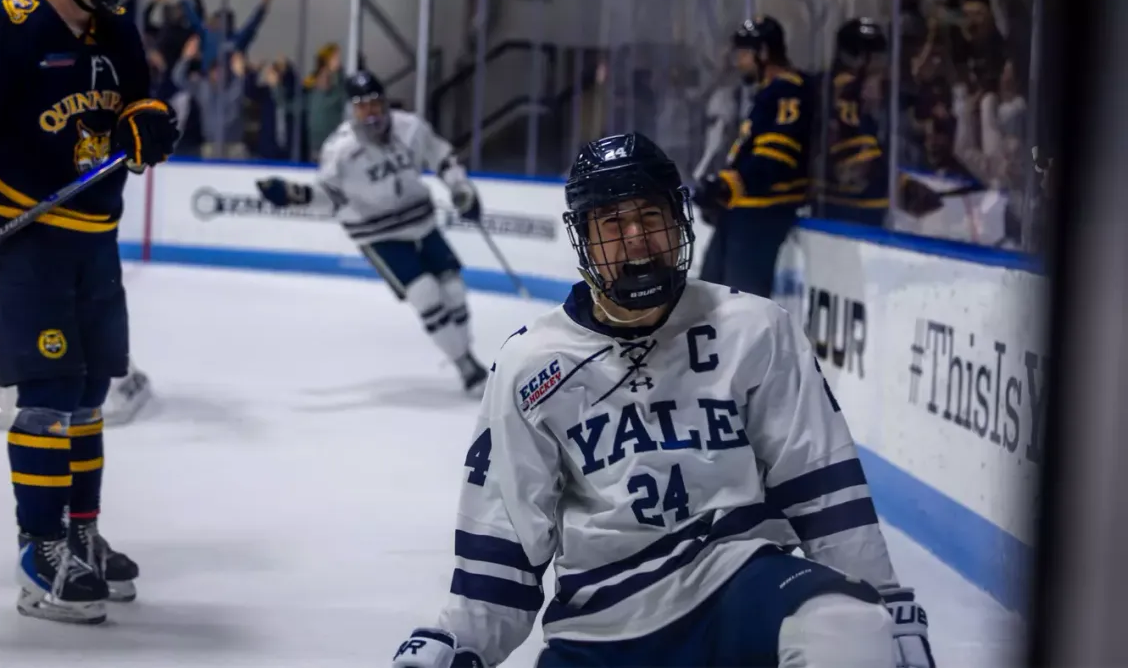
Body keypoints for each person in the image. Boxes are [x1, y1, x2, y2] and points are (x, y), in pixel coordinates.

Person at [389, 133, 935, 668]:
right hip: (603, 622)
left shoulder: (755, 328)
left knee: (846, 626)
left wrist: (884, 599)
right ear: (584, 240)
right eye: (612, 224)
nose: (637, 238)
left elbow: (821, 487)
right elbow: (505, 540)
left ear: (679, 223)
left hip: (741, 584)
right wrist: (458, 640)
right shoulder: (531, 365)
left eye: (651, 216)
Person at [0, 0, 179, 624]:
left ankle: (80, 535)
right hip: (21, 234)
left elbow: (137, 103)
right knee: (51, 390)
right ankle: (38, 551)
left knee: (90, 390)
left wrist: (147, 125)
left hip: (95, 234)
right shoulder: (3, 26)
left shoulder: (116, 28)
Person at [257, 70, 488, 392]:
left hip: (421, 223)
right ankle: (466, 365)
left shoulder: (410, 127)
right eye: (362, 106)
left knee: (454, 291)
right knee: (425, 294)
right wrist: (297, 195)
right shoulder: (340, 149)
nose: (371, 113)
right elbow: (329, 197)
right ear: (352, 109)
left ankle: (466, 352)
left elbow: (441, 156)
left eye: (375, 103)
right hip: (377, 234)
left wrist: (461, 188)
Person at [695, 16, 812, 298]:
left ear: (764, 52)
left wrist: (728, 186)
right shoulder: (768, 92)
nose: (738, 62)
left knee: (742, 306)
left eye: (744, 53)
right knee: (708, 298)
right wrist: (724, 190)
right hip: (741, 212)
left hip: (761, 215)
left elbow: (776, 160)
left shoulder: (787, 90)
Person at [822, 18, 891, 227]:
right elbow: (855, 165)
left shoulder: (833, 87)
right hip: (853, 209)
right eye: (878, 58)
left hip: (838, 205)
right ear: (859, 59)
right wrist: (901, 184)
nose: (883, 66)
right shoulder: (847, 92)